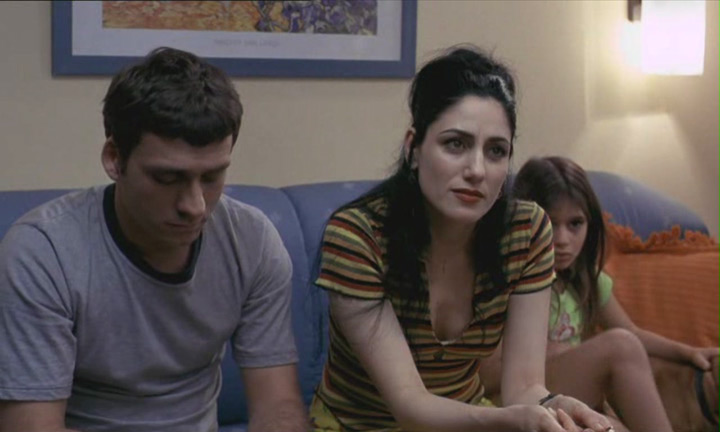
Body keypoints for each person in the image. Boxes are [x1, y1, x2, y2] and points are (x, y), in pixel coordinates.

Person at [0, 47, 307, 432]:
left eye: (212, 177)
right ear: (114, 158)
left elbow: (277, 406)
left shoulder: (252, 241)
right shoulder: (42, 252)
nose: (194, 206)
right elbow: (31, 426)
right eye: (167, 178)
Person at [309, 46, 614, 432]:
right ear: (413, 149)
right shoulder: (358, 237)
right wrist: (509, 420)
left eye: (496, 151)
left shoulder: (526, 232)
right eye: (455, 144)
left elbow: (524, 388)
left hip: (468, 419)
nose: (476, 170)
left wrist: (553, 405)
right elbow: (409, 406)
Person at [480, 156, 719, 432]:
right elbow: (488, 376)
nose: (562, 239)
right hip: (514, 399)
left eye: (575, 224)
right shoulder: (505, 277)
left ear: (590, 225)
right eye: (550, 223)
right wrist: (549, 351)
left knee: (616, 425)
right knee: (620, 345)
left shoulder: (586, 279)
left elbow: (633, 332)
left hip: (570, 398)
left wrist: (688, 351)